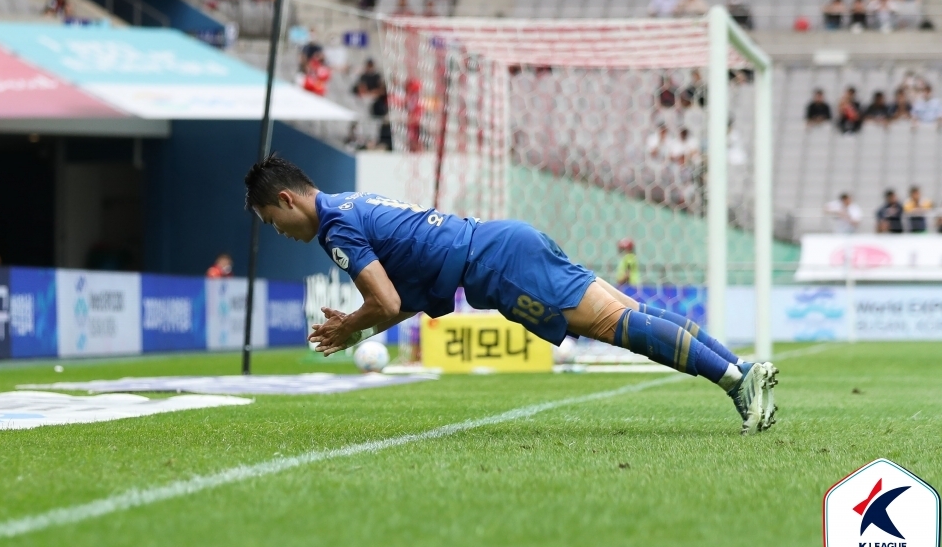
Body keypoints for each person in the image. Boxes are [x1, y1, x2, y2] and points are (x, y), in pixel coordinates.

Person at [245, 154, 779, 435]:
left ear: (288, 200)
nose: (279, 231)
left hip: (499, 264)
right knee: (631, 312)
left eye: (272, 221)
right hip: (503, 241)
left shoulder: (336, 229)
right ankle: (740, 372)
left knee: (613, 326)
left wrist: (349, 326)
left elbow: (382, 304)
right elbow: (399, 302)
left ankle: (737, 378)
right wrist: (362, 321)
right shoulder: (349, 205)